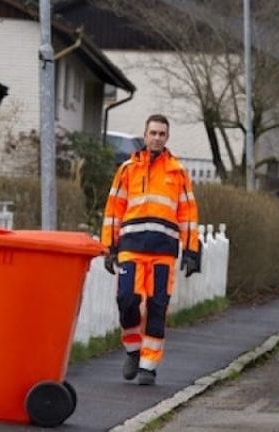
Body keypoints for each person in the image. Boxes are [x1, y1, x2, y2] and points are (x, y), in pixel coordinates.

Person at [101, 114, 201, 386]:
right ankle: (133, 349)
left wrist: (191, 251)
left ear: (167, 137)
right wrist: (109, 247)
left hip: (163, 250)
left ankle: (148, 366)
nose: (157, 138)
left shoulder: (177, 172)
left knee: (157, 306)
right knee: (127, 299)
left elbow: (188, 213)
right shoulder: (127, 170)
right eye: (153, 133)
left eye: (161, 134)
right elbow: (114, 209)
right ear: (145, 135)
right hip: (131, 247)